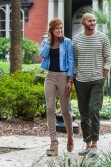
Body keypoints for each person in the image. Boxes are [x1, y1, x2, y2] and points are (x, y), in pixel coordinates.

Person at [73, 13, 111, 156]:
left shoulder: (102, 37)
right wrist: (75, 75)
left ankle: (95, 144)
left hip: (97, 81)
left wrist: (104, 75)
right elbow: (74, 60)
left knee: (94, 110)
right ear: (83, 23)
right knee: (84, 114)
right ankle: (87, 144)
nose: (93, 22)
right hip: (81, 82)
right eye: (90, 21)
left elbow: (108, 57)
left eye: (94, 20)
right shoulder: (76, 40)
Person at [40, 18, 75, 156]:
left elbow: (71, 61)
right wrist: (49, 41)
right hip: (50, 77)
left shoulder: (67, 42)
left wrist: (70, 80)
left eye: (61, 28)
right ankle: (53, 142)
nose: (60, 31)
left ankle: (70, 136)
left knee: (65, 110)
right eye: (57, 29)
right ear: (51, 31)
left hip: (64, 77)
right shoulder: (46, 42)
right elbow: (42, 55)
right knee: (50, 108)